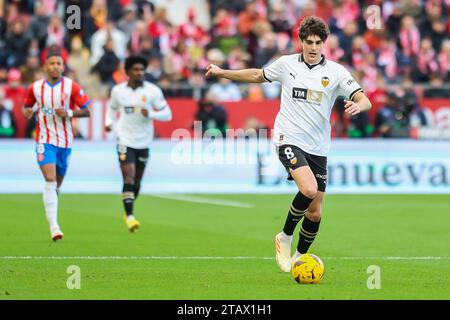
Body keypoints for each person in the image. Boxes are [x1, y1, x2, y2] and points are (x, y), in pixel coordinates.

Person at [206, 16, 372, 272]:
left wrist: (357, 105)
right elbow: (256, 75)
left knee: (315, 212)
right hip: (288, 138)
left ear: (324, 43)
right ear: (301, 41)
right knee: (308, 189)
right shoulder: (286, 65)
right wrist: (222, 72)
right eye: (309, 42)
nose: (313, 47)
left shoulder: (337, 72)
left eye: (318, 42)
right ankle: (284, 236)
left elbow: (364, 99)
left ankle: (299, 259)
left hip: (318, 146)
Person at [22, 50, 91, 241]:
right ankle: (54, 227)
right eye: (52, 63)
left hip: (66, 141)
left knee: (56, 185)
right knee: (50, 178)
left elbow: (87, 111)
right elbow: (27, 106)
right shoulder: (35, 88)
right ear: (45, 66)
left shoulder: (72, 87)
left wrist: (68, 113)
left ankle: (51, 206)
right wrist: (27, 111)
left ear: (63, 66)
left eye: (59, 63)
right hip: (44, 139)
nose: (55, 67)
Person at [105, 55, 172, 232]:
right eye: (135, 69)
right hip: (124, 138)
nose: (139, 73)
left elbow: (167, 114)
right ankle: (130, 217)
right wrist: (109, 123)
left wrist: (151, 114)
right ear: (127, 72)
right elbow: (111, 109)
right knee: (128, 176)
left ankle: (128, 206)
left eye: (142, 70)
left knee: (137, 182)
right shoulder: (118, 91)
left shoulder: (153, 91)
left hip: (144, 141)